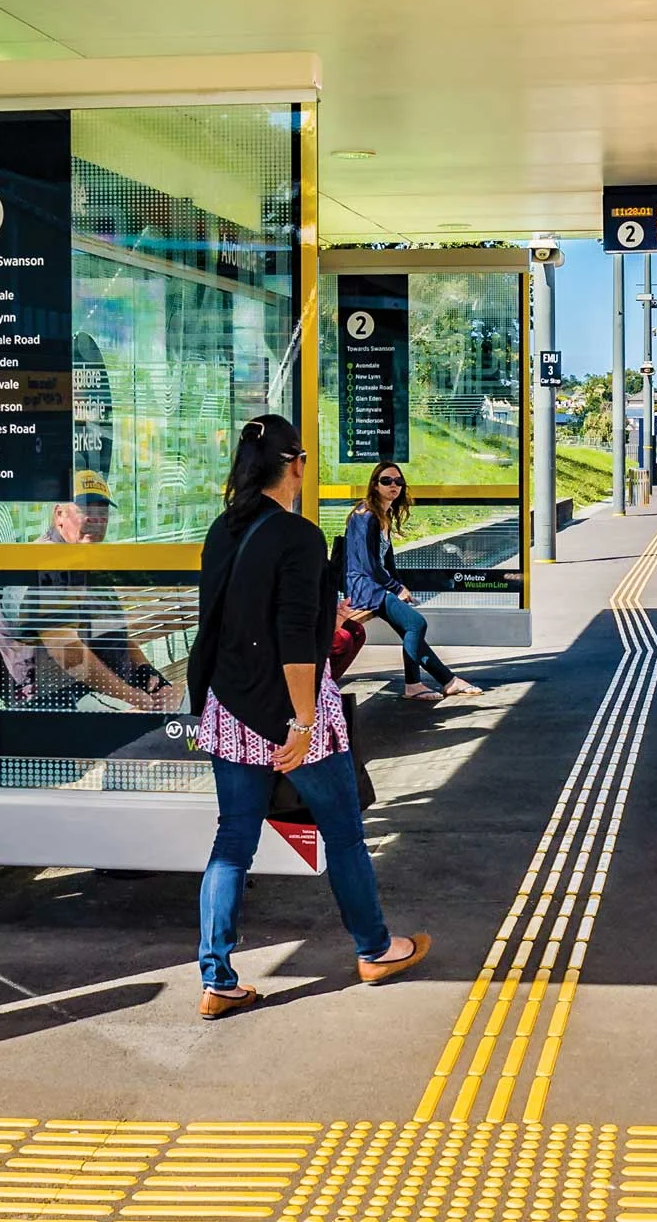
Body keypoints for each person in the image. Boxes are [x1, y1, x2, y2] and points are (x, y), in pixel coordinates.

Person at [183, 416, 429, 1019]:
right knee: (342, 833)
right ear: (293, 465)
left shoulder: (222, 528)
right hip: (291, 714)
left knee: (232, 841)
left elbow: (225, 619)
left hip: (229, 707)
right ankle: (375, 949)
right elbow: (295, 638)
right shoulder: (298, 535)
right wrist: (300, 723)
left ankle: (217, 979)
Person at [0, 470, 182, 712]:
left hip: (104, 692)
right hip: (58, 702)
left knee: (189, 702)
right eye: (85, 509)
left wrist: (152, 679)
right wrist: (134, 698)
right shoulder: (44, 564)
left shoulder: (84, 562)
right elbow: (68, 654)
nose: (96, 519)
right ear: (59, 514)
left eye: (103, 512)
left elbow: (115, 634)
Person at [344, 462, 482, 702]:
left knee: (410, 628)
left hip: (376, 586)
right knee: (416, 624)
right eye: (386, 481)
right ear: (375, 485)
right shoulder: (365, 516)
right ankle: (413, 684)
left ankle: (449, 681)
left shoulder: (382, 514)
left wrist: (400, 587)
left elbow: (387, 561)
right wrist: (396, 588)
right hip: (364, 587)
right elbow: (369, 565)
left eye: (398, 481)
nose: (393, 485)